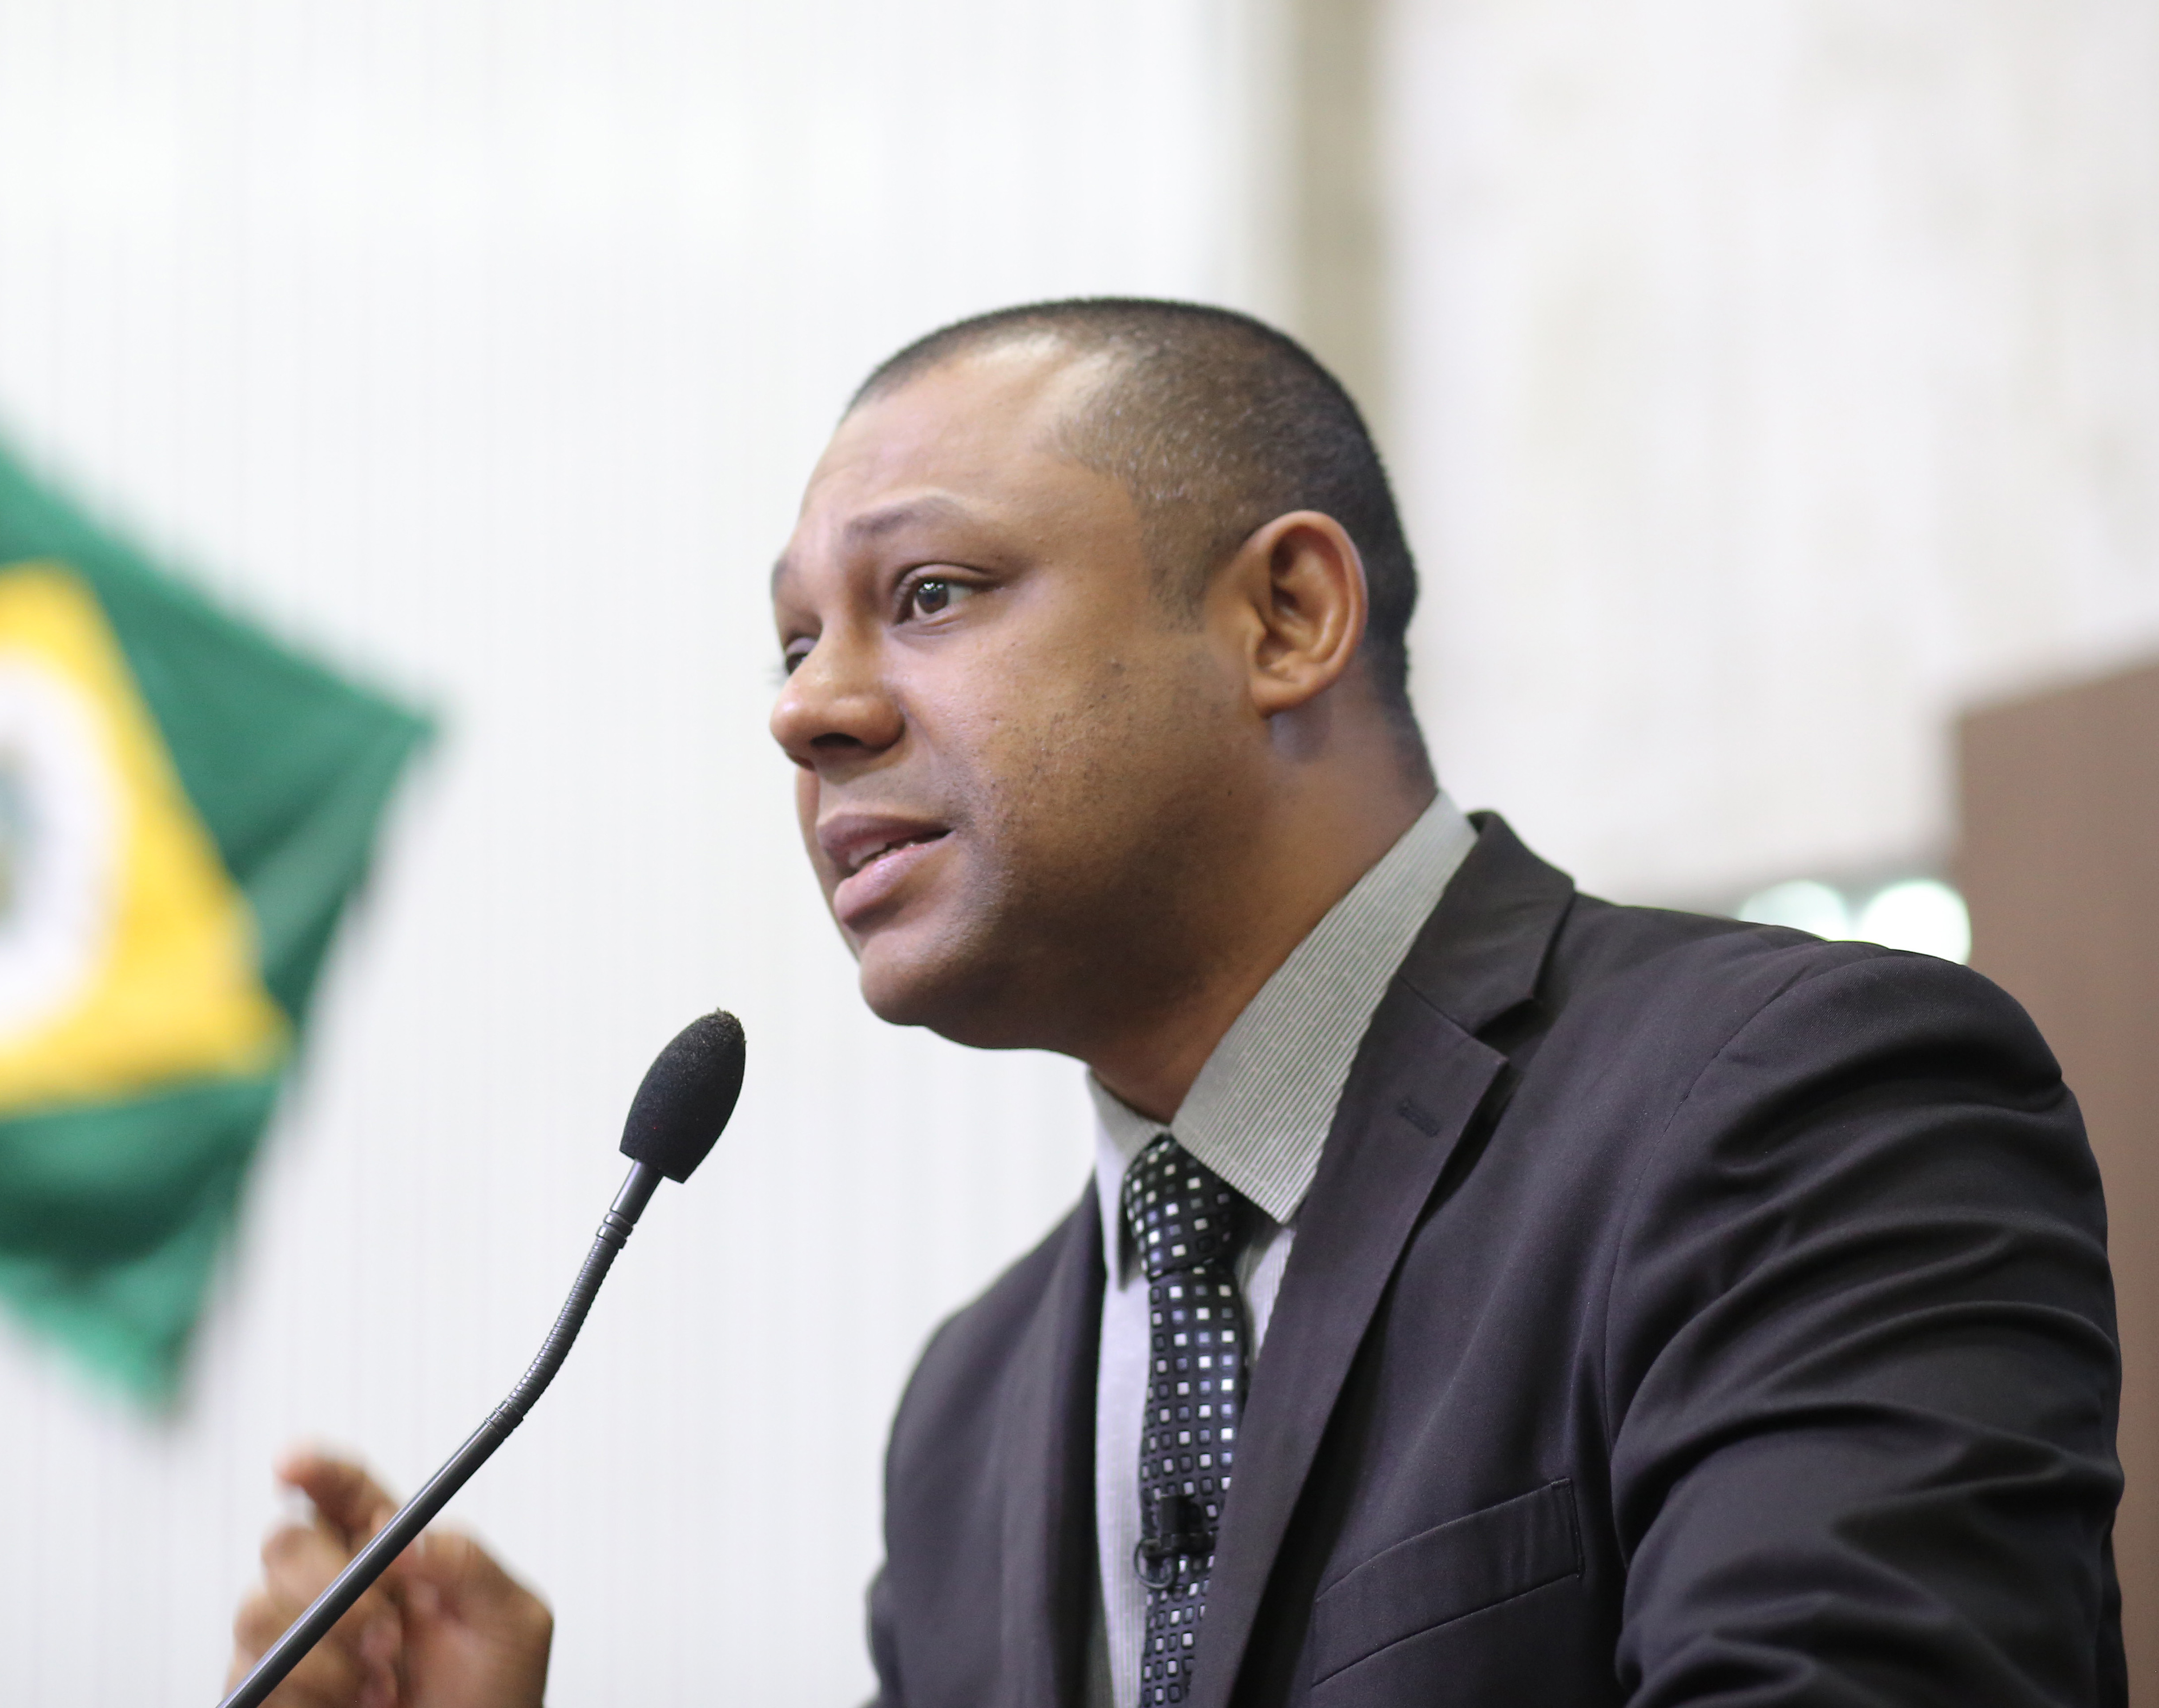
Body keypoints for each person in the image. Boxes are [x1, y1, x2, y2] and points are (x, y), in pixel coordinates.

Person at [228, 301, 2125, 1708]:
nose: (809, 710)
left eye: (931, 594)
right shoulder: (973, 1409)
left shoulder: (1789, 1106)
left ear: (1285, 619)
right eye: (796, 640)